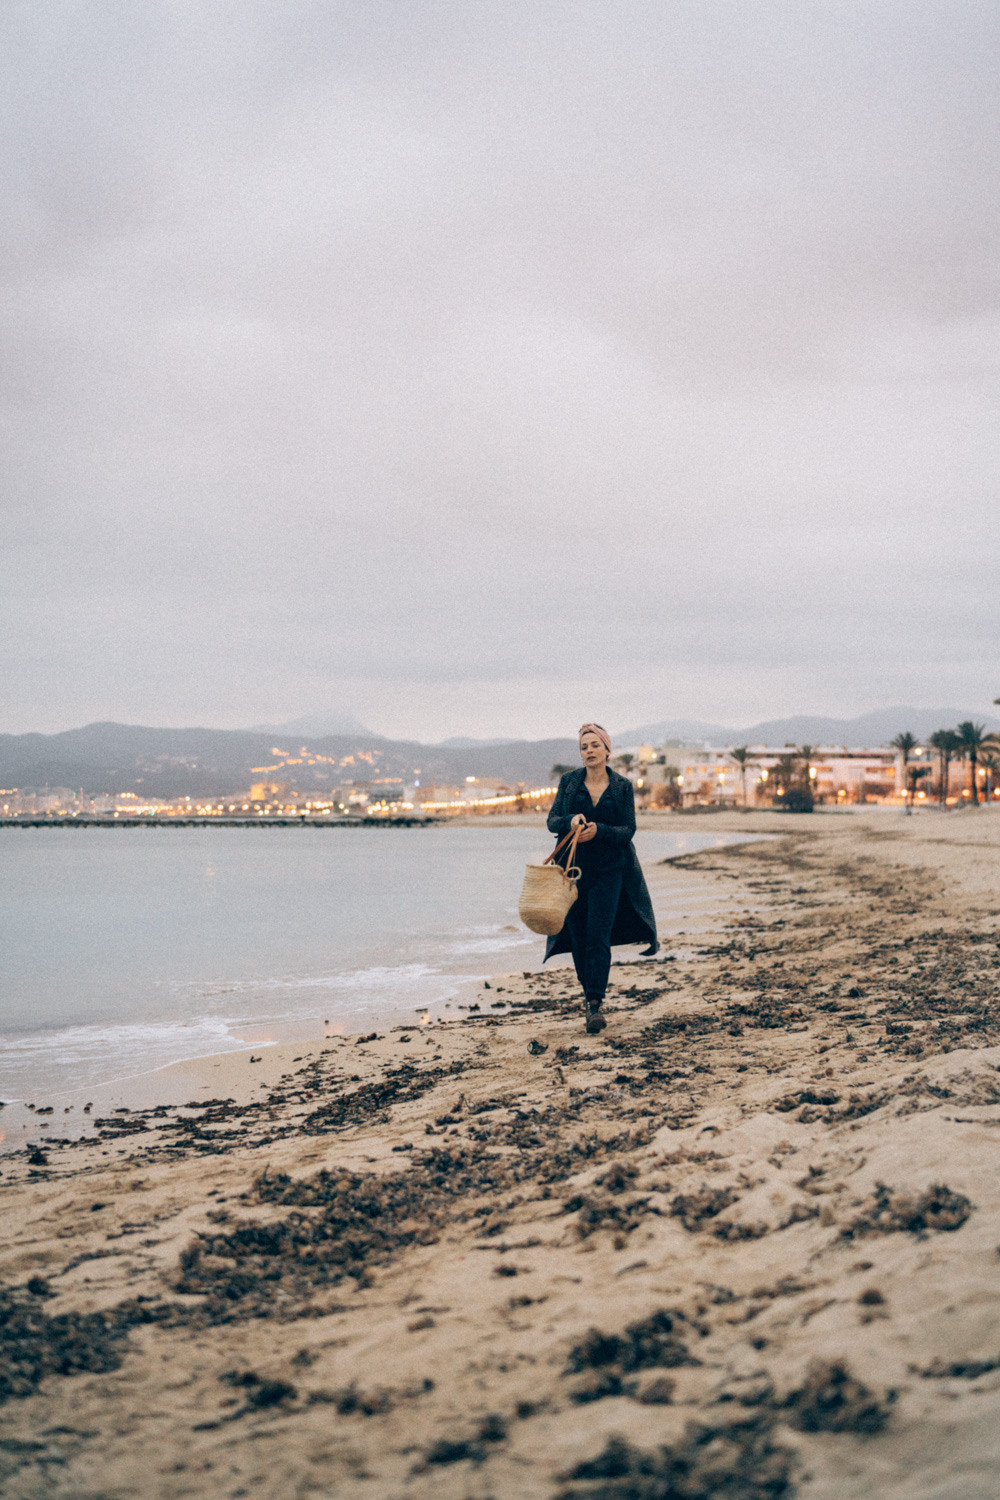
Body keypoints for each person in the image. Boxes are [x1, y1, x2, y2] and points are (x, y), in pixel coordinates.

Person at [545, 723, 658, 1033]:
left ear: (607, 750)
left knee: (598, 936)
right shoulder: (569, 783)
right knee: (579, 937)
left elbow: (629, 829)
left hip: (610, 871)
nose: (589, 751)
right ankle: (589, 991)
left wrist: (601, 831)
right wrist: (570, 821)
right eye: (584, 747)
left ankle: (595, 1003)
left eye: (595, 745)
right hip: (572, 873)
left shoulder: (621, 787)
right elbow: (552, 820)